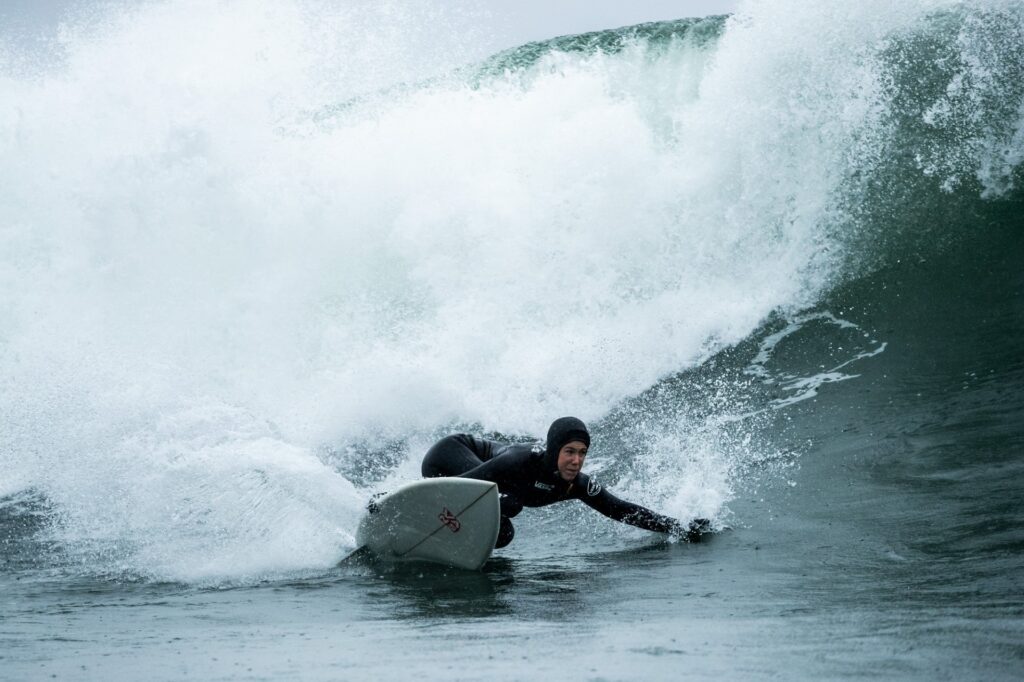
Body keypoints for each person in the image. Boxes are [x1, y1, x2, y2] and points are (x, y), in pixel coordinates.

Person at [421, 416, 710, 548]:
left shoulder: (576, 484)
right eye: (569, 451)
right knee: (508, 504)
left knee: (502, 534)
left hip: (478, 487)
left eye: (582, 453)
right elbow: (459, 484)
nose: (576, 460)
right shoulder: (520, 461)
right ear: (555, 450)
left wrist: (678, 527)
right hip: (449, 457)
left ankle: (445, 535)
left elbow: (619, 509)